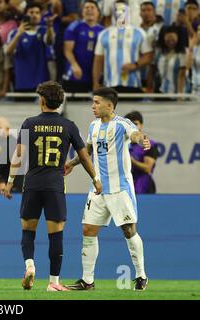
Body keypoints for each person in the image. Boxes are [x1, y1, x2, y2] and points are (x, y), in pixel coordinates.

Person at [3, 81, 101, 292]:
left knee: (28, 230)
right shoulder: (69, 126)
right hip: (55, 186)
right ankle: (54, 282)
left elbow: (18, 155)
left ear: (43, 101)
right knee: (55, 235)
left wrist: (10, 182)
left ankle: (29, 265)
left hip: (32, 184)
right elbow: (84, 157)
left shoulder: (29, 123)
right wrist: (95, 178)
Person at [64, 87, 150, 291]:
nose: (93, 106)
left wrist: (141, 139)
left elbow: (135, 134)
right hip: (99, 188)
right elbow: (88, 151)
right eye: (93, 102)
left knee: (128, 230)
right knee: (88, 229)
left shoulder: (122, 124)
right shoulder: (93, 126)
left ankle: (141, 276)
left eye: (96, 102)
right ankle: (87, 281)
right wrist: (71, 163)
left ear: (109, 105)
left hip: (120, 187)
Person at [6, 2, 54, 92]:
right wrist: (19, 34)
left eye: (37, 13)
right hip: (21, 82)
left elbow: (49, 41)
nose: (34, 15)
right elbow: (8, 52)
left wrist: (50, 27)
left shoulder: (44, 30)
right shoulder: (14, 33)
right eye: (31, 12)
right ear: (25, 14)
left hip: (42, 83)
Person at [63, 0, 103, 93]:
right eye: (86, 8)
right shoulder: (74, 27)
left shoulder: (103, 31)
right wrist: (74, 65)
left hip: (94, 74)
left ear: (98, 12)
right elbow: (67, 50)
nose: (89, 10)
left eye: (92, 8)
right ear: (82, 12)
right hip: (76, 73)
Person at [125, 111, 159, 194]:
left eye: (135, 124)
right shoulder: (122, 144)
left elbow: (147, 168)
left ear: (141, 125)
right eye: (130, 125)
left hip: (144, 187)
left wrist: (131, 160)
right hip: (125, 186)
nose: (133, 128)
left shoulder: (149, 144)